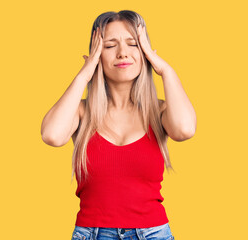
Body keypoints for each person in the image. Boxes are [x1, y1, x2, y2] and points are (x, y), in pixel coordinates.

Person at [41, 10, 196, 240]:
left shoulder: (160, 111)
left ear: (144, 52)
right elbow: (52, 135)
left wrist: (164, 69)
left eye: (133, 44)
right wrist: (85, 74)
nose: (123, 53)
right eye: (110, 45)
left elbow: (185, 129)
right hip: (91, 234)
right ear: (96, 54)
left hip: (153, 234)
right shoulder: (82, 112)